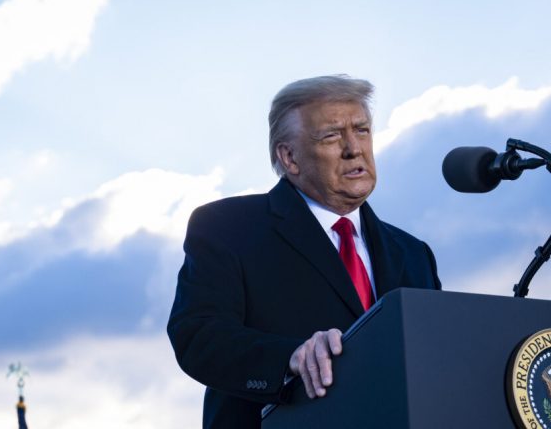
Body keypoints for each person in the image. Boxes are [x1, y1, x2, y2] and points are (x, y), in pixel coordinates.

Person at [167, 75, 441, 429]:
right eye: (331, 135)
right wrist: (290, 359)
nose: (353, 148)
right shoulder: (228, 227)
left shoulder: (413, 252)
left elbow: (433, 359)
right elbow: (199, 337)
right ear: (290, 157)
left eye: (362, 130)